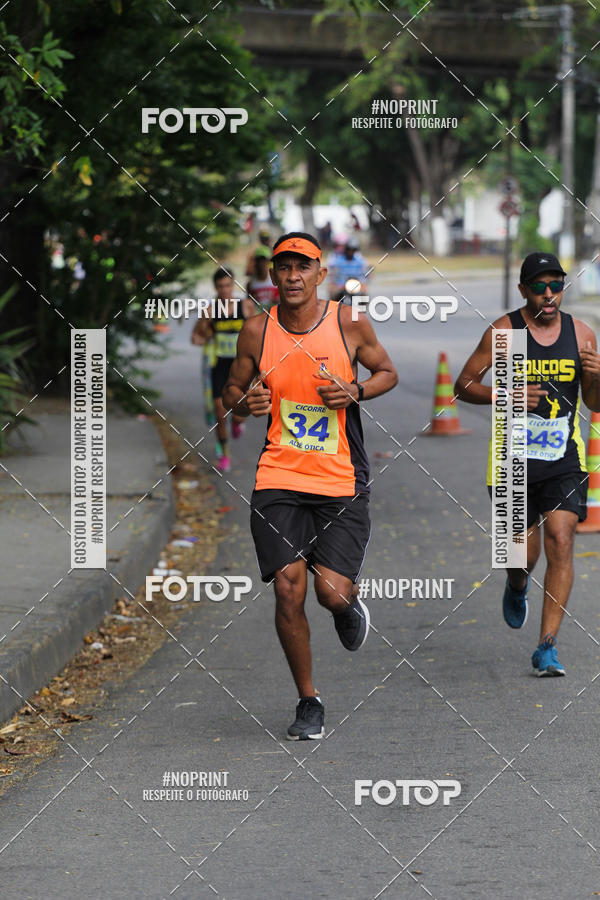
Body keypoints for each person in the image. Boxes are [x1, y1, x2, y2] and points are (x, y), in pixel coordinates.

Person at [222, 232, 398, 739]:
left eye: (304, 267)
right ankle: (308, 700)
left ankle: (347, 604)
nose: (293, 276)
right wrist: (244, 400)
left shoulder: (348, 322)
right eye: (284, 267)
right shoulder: (256, 330)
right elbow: (233, 387)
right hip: (279, 473)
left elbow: (388, 372)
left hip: (341, 474)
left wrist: (356, 390)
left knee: (329, 593)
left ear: (322, 274)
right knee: (287, 587)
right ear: (272, 276)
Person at [455, 251, 600, 676]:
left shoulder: (582, 334)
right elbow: (463, 385)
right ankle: (516, 584)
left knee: (561, 538)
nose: (550, 293)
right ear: (524, 291)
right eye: (540, 286)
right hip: (510, 462)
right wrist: (507, 396)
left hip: (563, 459)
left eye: (557, 285)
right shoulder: (506, 332)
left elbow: (594, 402)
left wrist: (596, 375)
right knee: (521, 556)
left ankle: (547, 646)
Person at [192, 267, 253, 472]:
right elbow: (198, 338)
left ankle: (238, 422)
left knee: (238, 411)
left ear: (233, 285)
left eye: (228, 285)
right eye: (220, 286)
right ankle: (224, 456)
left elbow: (256, 334)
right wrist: (204, 323)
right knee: (220, 414)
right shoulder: (210, 310)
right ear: (216, 287)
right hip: (219, 365)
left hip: (240, 367)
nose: (225, 290)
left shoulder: (245, 307)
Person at [327, 236, 368, 302]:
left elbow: (364, 273)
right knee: (334, 293)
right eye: (349, 250)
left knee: (364, 295)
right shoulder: (338, 261)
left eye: (353, 250)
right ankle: (335, 309)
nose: (350, 252)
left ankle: (361, 311)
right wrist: (334, 282)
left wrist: (364, 281)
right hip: (341, 285)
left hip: (356, 284)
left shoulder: (359, 261)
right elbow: (333, 273)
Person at [246, 246, 279, 314]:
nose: (261, 264)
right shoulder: (250, 284)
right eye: (259, 261)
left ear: (268, 262)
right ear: (256, 263)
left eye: (264, 260)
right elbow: (249, 305)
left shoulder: (276, 280)